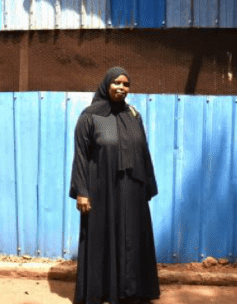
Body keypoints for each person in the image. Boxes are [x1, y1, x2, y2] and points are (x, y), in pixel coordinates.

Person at [70, 66, 160, 304]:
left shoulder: (132, 115)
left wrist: (148, 184)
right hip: (103, 190)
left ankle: (131, 291)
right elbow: (83, 155)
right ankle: (102, 290)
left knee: (131, 238)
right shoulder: (94, 116)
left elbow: (143, 151)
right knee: (104, 238)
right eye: (117, 83)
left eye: (126, 84)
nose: (122, 88)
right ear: (106, 84)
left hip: (131, 190)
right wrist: (82, 191)